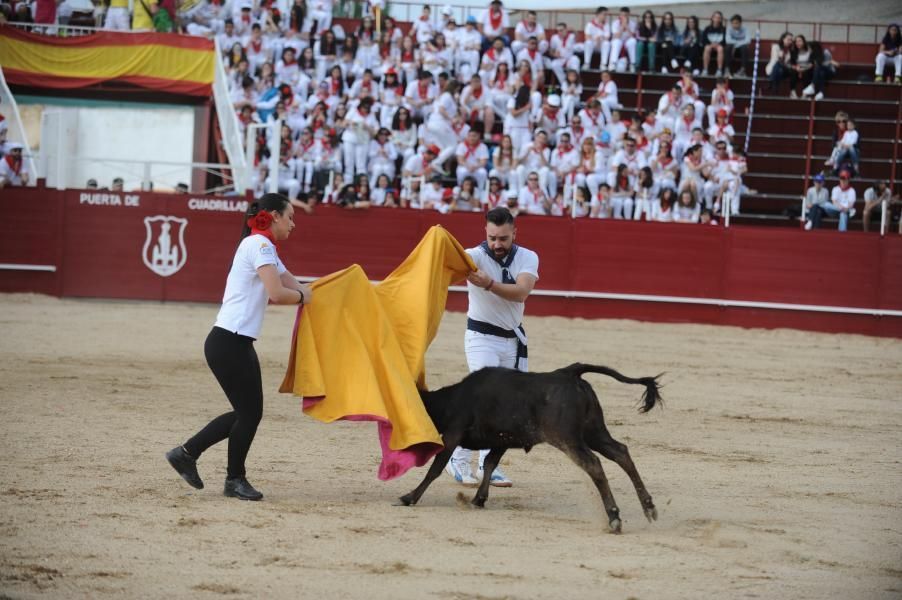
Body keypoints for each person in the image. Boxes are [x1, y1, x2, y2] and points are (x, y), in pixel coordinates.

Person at [166, 194, 312, 501]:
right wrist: (304, 298)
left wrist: (331, 291)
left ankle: (187, 454)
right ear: (273, 216)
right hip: (229, 342)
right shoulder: (259, 246)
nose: (293, 224)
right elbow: (278, 293)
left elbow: (295, 284)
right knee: (249, 413)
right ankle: (232, 478)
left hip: (233, 341)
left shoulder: (264, 247)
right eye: (290, 217)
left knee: (247, 412)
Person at [445, 207, 539, 488]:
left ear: (514, 233)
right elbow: (442, 265)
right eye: (492, 237)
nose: (497, 244)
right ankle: (457, 459)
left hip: (512, 340)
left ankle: (489, 463)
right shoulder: (473, 256)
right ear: (485, 232)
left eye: (503, 238)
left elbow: (522, 291)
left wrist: (488, 284)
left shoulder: (528, 256)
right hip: (481, 337)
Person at [701, 11, 727, 76]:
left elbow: (725, 41)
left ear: (721, 19)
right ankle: (705, 69)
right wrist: (711, 44)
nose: (717, 19)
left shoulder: (724, 29)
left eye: (719, 18)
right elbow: (703, 40)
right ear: (712, 18)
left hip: (719, 46)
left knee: (720, 49)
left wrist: (718, 44)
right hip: (710, 46)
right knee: (707, 48)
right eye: (715, 17)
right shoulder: (707, 28)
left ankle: (719, 70)